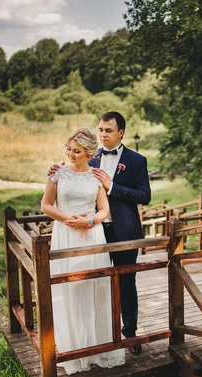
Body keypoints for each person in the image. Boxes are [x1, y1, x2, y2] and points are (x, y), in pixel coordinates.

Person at [49, 111, 151, 355]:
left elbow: (144, 196)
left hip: (125, 233)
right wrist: (58, 170)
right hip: (94, 234)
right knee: (96, 285)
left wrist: (112, 186)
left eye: (108, 130)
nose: (103, 135)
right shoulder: (92, 158)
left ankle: (130, 334)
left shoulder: (137, 160)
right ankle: (100, 336)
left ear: (121, 133)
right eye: (101, 130)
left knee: (127, 283)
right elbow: (73, 175)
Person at [41, 128, 125, 374]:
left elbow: (104, 210)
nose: (71, 154)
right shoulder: (58, 174)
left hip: (92, 236)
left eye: (76, 151)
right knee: (70, 288)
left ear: (89, 153)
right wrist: (70, 220)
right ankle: (74, 351)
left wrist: (88, 222)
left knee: (95, 287)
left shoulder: (96, 177)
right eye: (68, 149)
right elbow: (45, 206)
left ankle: (97, 347)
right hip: (67, 235)